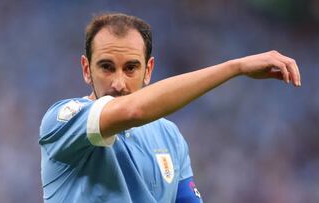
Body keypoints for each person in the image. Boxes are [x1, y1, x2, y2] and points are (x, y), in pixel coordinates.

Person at [39, 13, 301, 203]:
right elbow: (134, 111)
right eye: (106, 67)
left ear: (148, 70)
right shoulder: (63, 122)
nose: (118, 83)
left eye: (131, 68)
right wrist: (235, 67)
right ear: (87, 69)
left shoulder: (169, 136)